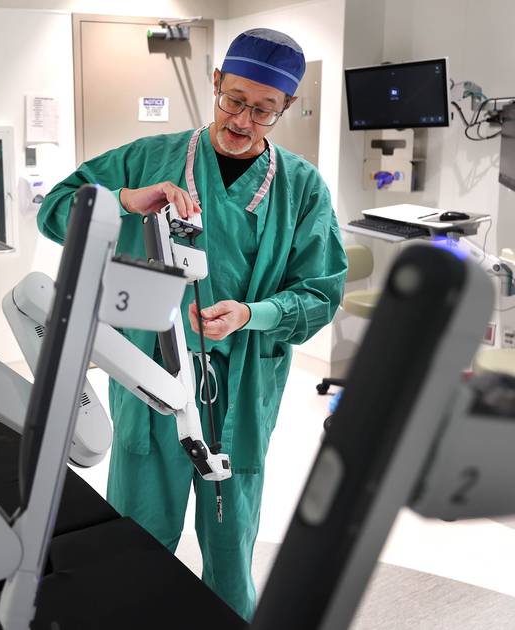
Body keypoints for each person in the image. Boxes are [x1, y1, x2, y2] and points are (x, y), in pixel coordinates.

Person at [37, 28, 347, 619]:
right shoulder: (148, 159)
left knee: (230, 547)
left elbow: (320, 294)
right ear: (215, 85)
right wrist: (126, 200)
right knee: (137, 534)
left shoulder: (301, 189)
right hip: (150, 380)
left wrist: (252, 315)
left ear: (284, 109)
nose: (242, 120)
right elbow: (56, 212)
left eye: (263, 110)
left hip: (241, 391)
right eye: (234, 100)